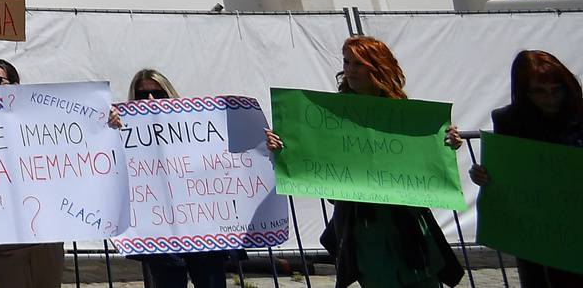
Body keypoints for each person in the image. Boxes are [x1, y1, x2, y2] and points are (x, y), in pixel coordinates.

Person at [269, 36, 462, 288]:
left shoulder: (405, 114)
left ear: (377, 67)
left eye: (358, 64)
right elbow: (325, 177)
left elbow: (426, 161)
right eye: (346, 62)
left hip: (408, 226)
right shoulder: (333, 117)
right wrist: (282, 147)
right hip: (365, 232)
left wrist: (448, 143)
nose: (349, 69)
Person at [469, 50, 582, 288]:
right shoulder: (510, 121)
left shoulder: (579, 115)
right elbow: (504, 171)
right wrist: (484, 175)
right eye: (540, 92)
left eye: (556, 90)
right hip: (536, 231)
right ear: (524, 92)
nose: (550, 99)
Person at [121, 69, 231, 288]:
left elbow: (228, 154)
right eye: (143, 95)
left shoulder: (194, 124)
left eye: (158, 93)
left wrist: (265, 146)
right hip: (160, 234)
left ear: (169, 94)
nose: (151, 99)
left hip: (202, 228)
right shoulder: (127, 131)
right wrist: (111, 125)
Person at [0, 59, 60, 288]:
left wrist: (106, 121)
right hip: (3, 243)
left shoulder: (39, 118)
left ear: (14, 85)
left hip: (44, 238)